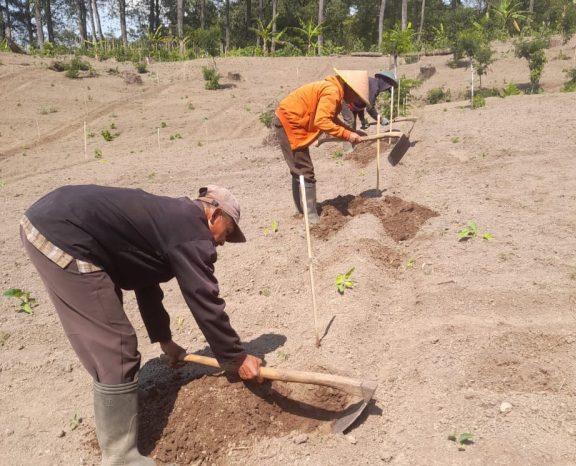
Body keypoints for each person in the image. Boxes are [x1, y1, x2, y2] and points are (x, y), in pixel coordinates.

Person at [20, 184, 263, 466]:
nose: (222, 243)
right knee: (116, 345)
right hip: (65, 233)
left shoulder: (170, 217)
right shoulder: (193, 231)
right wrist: (236, 357)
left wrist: (165, 340)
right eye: (228, 232)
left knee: (107, 337)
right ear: (214, 215)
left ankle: (119, 421)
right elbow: (204, 299)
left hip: (47, 221)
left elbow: (145, 279)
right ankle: (120, 457)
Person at [274, 69, 370, 224]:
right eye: (357, 95)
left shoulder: (334, 89)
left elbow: (330, 118)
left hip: (291, 120)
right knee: (304, 170)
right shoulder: (332, 92)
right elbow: (322, 122)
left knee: (299, 169)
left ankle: (303, 209)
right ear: (350, 87)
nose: (355, 100)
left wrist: (351, 131)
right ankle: (310, 216)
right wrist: (347, 135)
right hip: (290, 123)